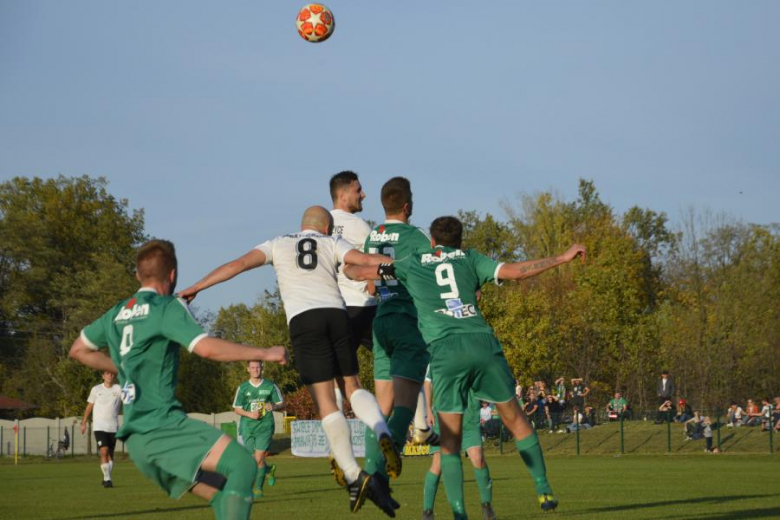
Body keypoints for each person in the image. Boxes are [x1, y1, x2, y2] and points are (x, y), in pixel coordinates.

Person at [345, 215, 586, 517]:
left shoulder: (414, 262)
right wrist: (562, 257)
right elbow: (516, 272)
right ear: (460, 241)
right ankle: (543, 487)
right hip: (483, 344)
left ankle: (459, 512)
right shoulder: (470, 259)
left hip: (446, 351)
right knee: (515, 418)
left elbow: (358, 272)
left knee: (449, 441)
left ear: (432, 241)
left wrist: (347, 265)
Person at [179, 206, 399, 517]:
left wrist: (196, 288)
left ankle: (353, 474)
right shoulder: (331, 243)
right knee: (351, 385)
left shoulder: (277, 243)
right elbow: (365, 262)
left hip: (304, 321)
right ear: (326, 228)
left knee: (326, 403)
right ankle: (382, 431)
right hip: (336, 316)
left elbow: (238, 265)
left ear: (303, 224)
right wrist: (396, 267)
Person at [69, 239, 289, 520]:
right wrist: (264, 352)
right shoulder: (165, 308)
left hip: (138, 441)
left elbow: (78, 349)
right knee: (243, 466)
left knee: (223, 493)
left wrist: (124, 367)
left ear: (138, 274)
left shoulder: (117, 313)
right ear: (172, 274)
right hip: (162, 428)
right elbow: (207, 348)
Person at [329, 171, 434, 447]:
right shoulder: (411, 236)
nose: (361, 194)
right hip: (393, 315)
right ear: (407, 206)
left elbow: (366, 277)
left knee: (374, 403)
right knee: (408, 394)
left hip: (360, 314)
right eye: (358, 190)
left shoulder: (369, 234)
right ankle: (419, 429)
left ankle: (364, 459)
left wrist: (365, 274)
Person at [361, 177, 435, 481]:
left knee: (381, 407)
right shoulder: (418, 237)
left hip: (381, 321)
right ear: (407, 205)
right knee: (405, 405)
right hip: (407, 320)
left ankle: (368, 471)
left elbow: (369, 286)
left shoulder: (372, 237)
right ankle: (384, 460)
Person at [422, 365, 496, 520]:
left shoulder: (472, 352)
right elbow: (427, 383)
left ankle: (487, 506)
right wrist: (428, 409)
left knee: (478, 459)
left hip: (468, 418)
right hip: (443, 417)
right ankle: (427, 511)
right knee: (437, 466)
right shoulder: (438, 353)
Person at [233, 361, 285, 498]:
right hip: (248, 427)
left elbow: (281, 403)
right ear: (248, 369)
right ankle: (268, 470)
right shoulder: (243, 388)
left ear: (262, 368)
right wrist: (249, 414)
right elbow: (237, 409)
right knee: (253, 460)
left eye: (258, 367)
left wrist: (273, 407)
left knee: (258, 459)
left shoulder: (270, 386)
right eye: (252, 367)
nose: (255, 369)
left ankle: (258, 489)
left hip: (265, 426)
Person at [80, 371, 122, 487]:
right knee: (104, 451)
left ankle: (106, 477)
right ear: (103, 376)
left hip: (113, 427)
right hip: (99, 426)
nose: (110, 376)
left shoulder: (118, 389)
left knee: (110, 454)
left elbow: (128, 401)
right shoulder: (96, 389)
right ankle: (108, 479)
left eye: (112, 374)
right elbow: (90, 406)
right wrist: (83, 422)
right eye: (107, 374)